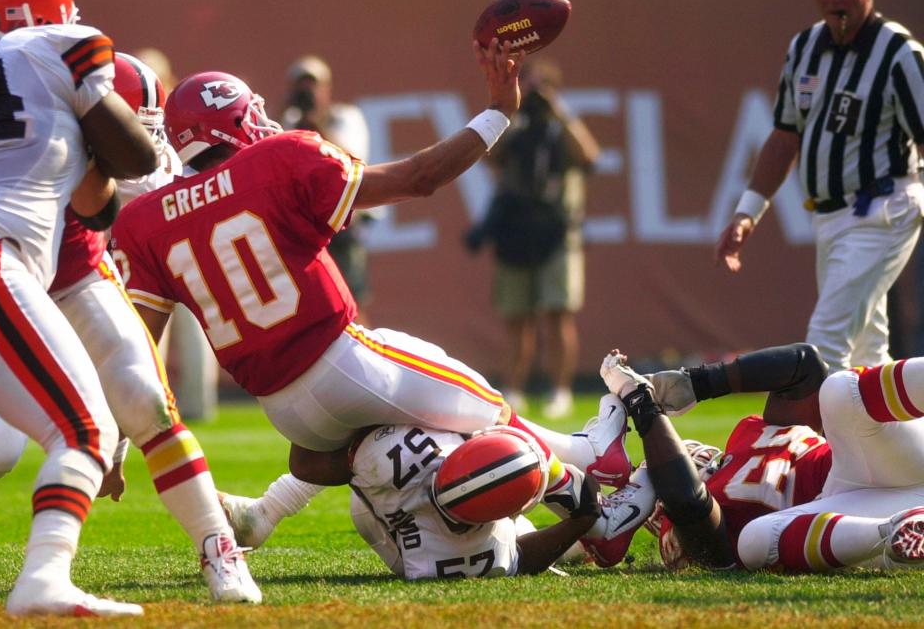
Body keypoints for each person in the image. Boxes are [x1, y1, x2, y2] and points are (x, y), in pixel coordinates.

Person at [112, 43, 633, 540]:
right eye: (251, 113)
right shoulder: (281, 159)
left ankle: (270, 512)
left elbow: (136, 350)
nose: (263, 122)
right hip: (343, 362)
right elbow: (420, 177)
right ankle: (593, 485)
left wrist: (115, 449)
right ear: (227, 122)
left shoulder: (145, 220)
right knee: (491, 411)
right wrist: (498, 111)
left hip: (281, 410)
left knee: (418, 442)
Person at [0, 0, 157, 616]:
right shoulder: (60, 42)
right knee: (81, 430)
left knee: (77, 429)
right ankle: (42, 577)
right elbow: (137, 159)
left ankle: (46, 577)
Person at [714, 0, 924, 374]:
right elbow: (785, 135)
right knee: (868, 354)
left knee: (825, 342)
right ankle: (902, 441)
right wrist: (747, 212)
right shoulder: (805, 47)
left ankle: (812, 442)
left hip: (884, 206)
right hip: (830, 215)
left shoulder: (900, 54)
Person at [218, 399, 654, 579]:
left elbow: (309, 460)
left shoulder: (394, 454)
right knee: (486, 410)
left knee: (482, 412)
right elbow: (523, 558)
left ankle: (265, 513)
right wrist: (576, 522)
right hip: (385, 511)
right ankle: (598, 516)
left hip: (389, 507)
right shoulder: (445, 549)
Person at [599, 344, 924, 572]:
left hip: (871, 462)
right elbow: (687, 501)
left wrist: (696, 383)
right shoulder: (690, 519)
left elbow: (804, 366)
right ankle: (894, 532)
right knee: (756, 542)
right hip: (859, 512)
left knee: (839, 390)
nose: (695, 454)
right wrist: (642, 405)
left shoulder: (747, 437)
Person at [472, 59, 599, 417]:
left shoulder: (561, 126)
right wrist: (511, 112)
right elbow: (489, 156)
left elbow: (589, 155)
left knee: (558, 314)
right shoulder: (515, 128)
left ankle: (561, 390)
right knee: (517, 317)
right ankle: (514, 388)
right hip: (516, 232)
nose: (533, 92)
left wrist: (555, 109)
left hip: (558, 232)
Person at [280, 55, 374, 326]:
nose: (308, 92)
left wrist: (314, 122)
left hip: (342, 227)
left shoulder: (345, 117)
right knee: (311, 310)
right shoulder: (286, 121)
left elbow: (350, 158)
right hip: (303, 228)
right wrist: (283, 114)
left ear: (327, 88)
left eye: (313, 85)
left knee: (354, 306)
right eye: (301, 86)